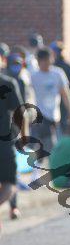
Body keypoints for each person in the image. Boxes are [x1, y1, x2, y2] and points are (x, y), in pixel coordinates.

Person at [31, 47, 70, 172]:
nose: (45, 63)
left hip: (55, 115)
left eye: (47, 60)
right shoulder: (33, 76)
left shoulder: (58, 73)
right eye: (42, 60)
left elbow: (65, 94)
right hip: (40, 116)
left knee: (46, 145)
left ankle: (41, 170)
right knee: (49, 143)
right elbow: (29, 95)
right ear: (38, 61)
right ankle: (51, 170)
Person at [0, 70, 28, 233]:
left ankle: (13, 207)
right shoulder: (7, 82)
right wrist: (24, 137)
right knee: (9, 183)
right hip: (3, 142)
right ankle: (13, 207)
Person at [50, 41, 70, 133]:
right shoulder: (51, 66)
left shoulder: (67, 66)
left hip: (64, 100)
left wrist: (68, 99)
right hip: (53, 100)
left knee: (64, 125)